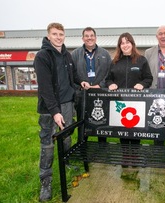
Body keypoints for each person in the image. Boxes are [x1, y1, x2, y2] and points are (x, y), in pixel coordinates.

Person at [34, 22, 82, 202]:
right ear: (48, 36)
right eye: (55, 34)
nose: (58, 37)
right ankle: (45, 181)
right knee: (48, 144)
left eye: (61, 34)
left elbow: (73, 77)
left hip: (67, 104)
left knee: (67, 136)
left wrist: (81, 82)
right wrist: (55, 111)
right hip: (49, 109)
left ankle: (67, 163)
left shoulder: (67, 56)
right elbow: (45, 88)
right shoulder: (42, 56)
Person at [105, 32, 153, 167]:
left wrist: (142, 84)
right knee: (123, 132)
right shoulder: (114, 62)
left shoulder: (141, 60)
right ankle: (125, 158)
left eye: (128, 42)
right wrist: (110, 84)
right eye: (122, 43)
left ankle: (135, 158)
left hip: (137, 103)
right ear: (119, 45)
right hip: (120, 103)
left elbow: (148, 78)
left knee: (135, 132)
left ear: (132, 44)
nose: (125, 45)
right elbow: (108, 79)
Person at [71, 27, 112, 142]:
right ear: (83, 38)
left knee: (102, 121)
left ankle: (102, 147)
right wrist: (80, 84)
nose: (89, 38)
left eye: (91, 35)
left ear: (95, 37)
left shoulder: (105, 54)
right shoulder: (75, 54)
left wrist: (101, 85)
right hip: (82, 94)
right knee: (82, 123)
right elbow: (72, 74)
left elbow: (110, 72)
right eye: (87, 36)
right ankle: (82, 145)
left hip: (101, 93)